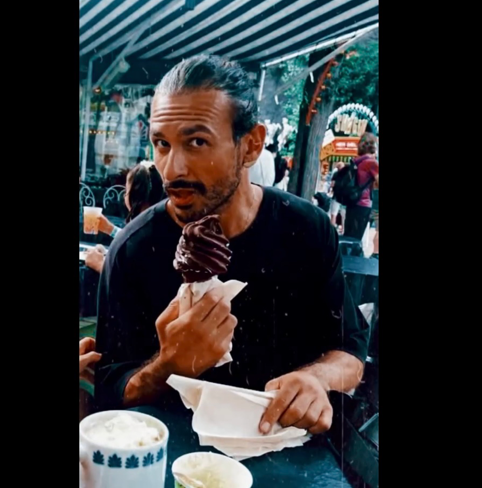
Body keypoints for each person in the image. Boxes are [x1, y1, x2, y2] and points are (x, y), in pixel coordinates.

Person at [95, 55, 369, 439]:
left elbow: (350, 352)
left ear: (252, 145)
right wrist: (170, 363)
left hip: (288, 458)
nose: (173, 169)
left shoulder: (307, 231)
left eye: (197, 142)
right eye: (161, 144)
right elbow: (110, 393)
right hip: (171, 461)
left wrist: (315, 379)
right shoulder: (132, 250)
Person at [85, 163, 164, 273]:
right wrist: (110, 231)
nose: (124, 196)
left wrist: (99, 264)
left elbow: (131, 283)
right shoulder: (156, 223)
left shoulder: (146, 235)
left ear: (136, 196)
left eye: (126, 191)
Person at [344, 134, 379, 240]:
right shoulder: (372, 163)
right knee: (356, 239)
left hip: (352, 202)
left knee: (349, 236)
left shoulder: (357, 161)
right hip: (363, 204)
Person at [329, 162, 345, 231]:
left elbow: (332, 184)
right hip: (344, 197)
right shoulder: (347, 174)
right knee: (344, 216)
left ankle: (332, 230)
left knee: (333, 214)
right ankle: (343, 230)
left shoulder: (336, 174)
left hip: (336, 197)